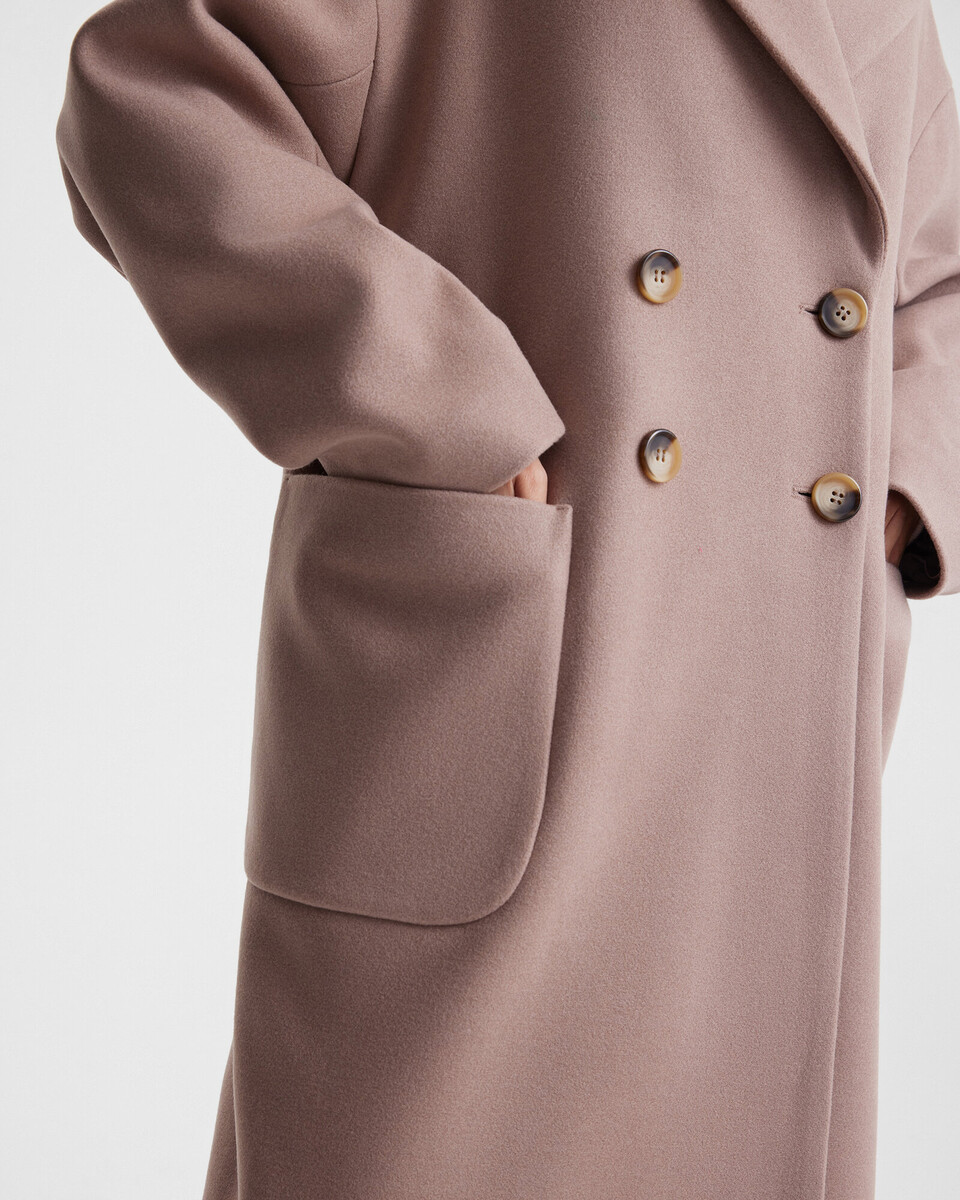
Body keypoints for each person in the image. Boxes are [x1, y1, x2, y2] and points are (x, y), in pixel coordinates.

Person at [55, 1, 958, 1196]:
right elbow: (152, 95)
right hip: (508, 694)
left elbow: (936, 265)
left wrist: (908, 483)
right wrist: (433, 401)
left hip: (764, 715)